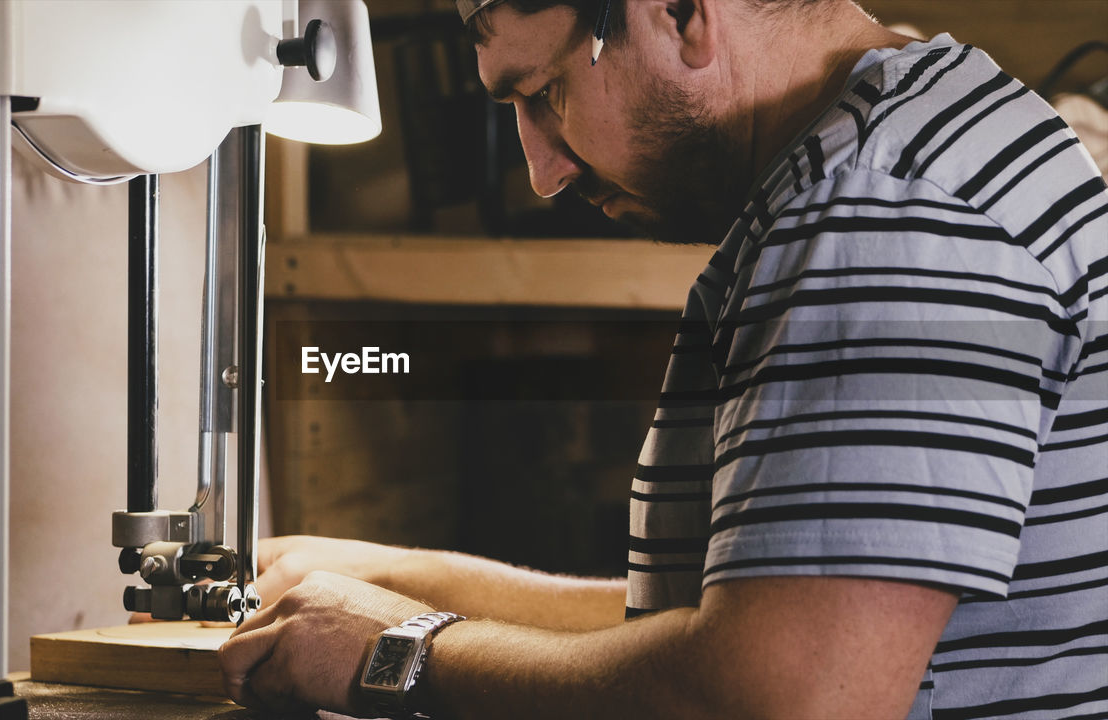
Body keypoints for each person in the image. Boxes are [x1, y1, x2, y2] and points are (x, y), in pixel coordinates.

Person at [219, 0, 1108, 717]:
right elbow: (757, 619)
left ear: (680, 13)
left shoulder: (881, 215)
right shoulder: (918, 137)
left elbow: (786, 696)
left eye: (547, 92)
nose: (541, 171)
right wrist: (409, 581)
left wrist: (397, 650)